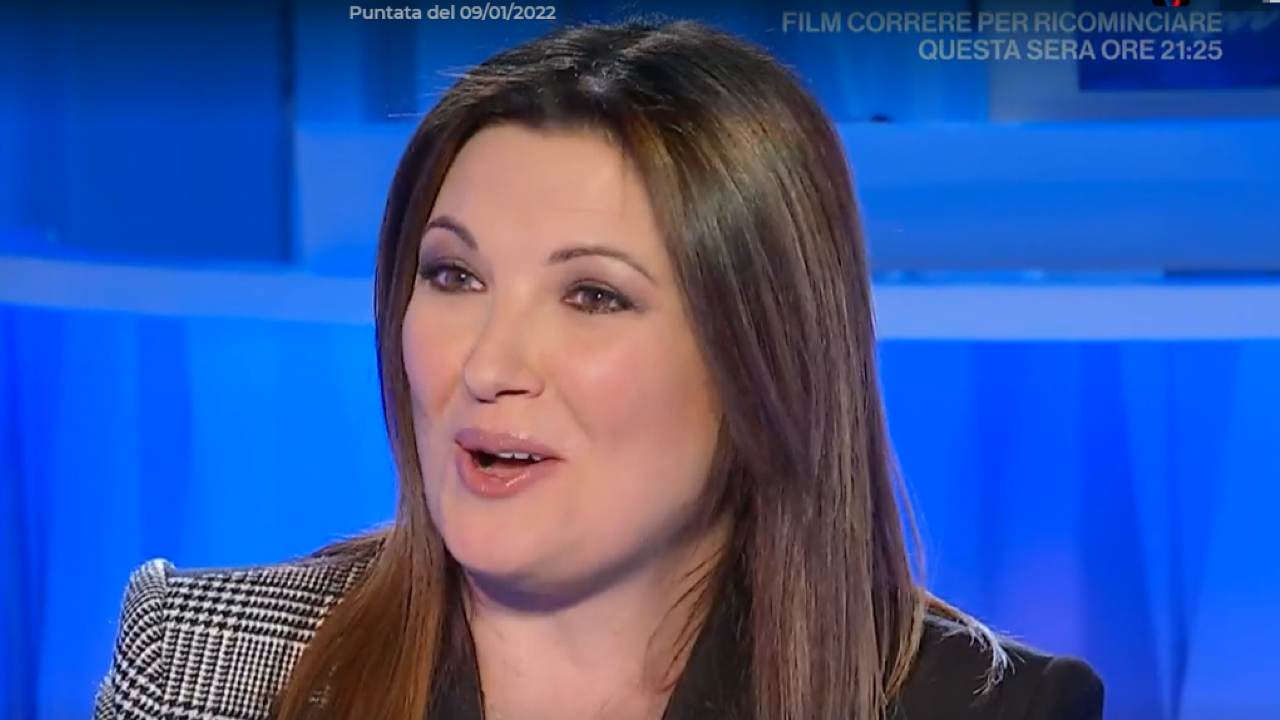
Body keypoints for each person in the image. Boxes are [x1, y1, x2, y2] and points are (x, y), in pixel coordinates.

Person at [93, 17, 1104, 720]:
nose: (488, 364)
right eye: (452, 276)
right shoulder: (202, 666)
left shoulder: (978, 707)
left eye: (592, 296)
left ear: (761, 357)